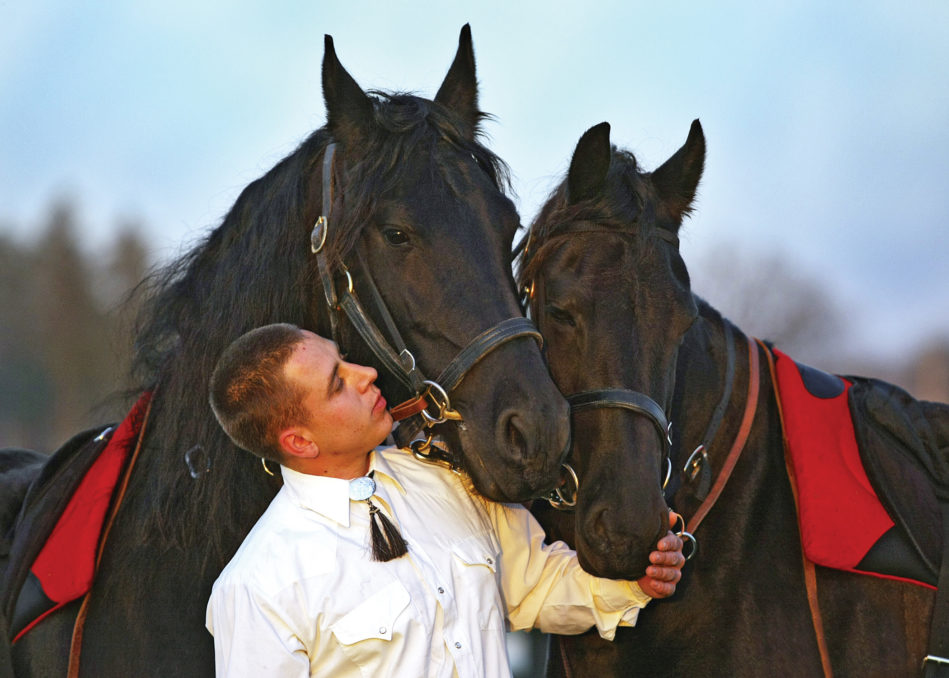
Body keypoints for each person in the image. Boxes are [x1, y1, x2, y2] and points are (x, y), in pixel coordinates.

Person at [205, 323, 685, 677]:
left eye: (346, 359)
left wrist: (636, 579)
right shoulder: (257, 586)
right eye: (337, 383)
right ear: (300, 442)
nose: (367, 373)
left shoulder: (446, 477)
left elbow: (536, 587)